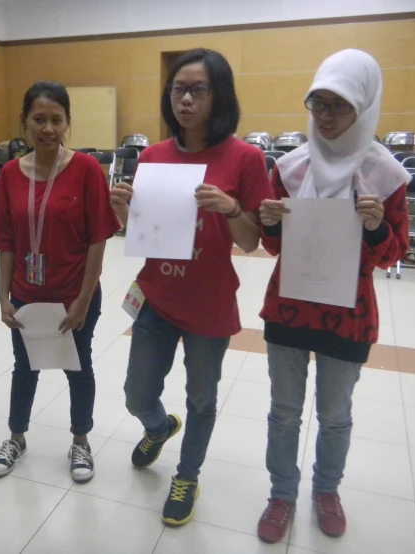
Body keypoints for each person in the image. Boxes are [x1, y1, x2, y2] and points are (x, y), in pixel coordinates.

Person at [110, 48, 272, 526]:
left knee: (202, 397)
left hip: (209, 302)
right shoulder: (154, 156)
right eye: (178, 89)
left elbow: (250, 241)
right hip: (157, 295)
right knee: (136, 394)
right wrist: (123, 212)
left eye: (197, 89)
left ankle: (188, 473)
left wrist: (229, 208)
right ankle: (158, 427)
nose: (185, 98)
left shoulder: (246, 158)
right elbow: (141, 234)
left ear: (218, 95)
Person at [256, 49, 410, 542]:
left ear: (364, 107)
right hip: (289, 307)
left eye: (338, 106)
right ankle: (282, 495)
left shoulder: (385, 176)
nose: (324, 116)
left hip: (350, 315)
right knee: (283, 411)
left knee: (335, 416)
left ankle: (327, 489)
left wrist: (376, 227)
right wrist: (269, 222)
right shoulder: (290, 168)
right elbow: (272, 246)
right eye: (317, 103)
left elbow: (394, 254)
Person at [0, 81, 120, 483]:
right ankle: (16, 437)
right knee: (24, 367)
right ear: (25, 122)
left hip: (73, 294)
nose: (48, 128)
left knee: (77, 368)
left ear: (68, 123)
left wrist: (83, 299)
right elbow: (7, 241)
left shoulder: (85, 169)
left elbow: (99, 236)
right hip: (27, 295)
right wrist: (3, 298)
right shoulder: (10, 174)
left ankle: (80, 441)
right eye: (39, 119)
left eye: (56, 120)